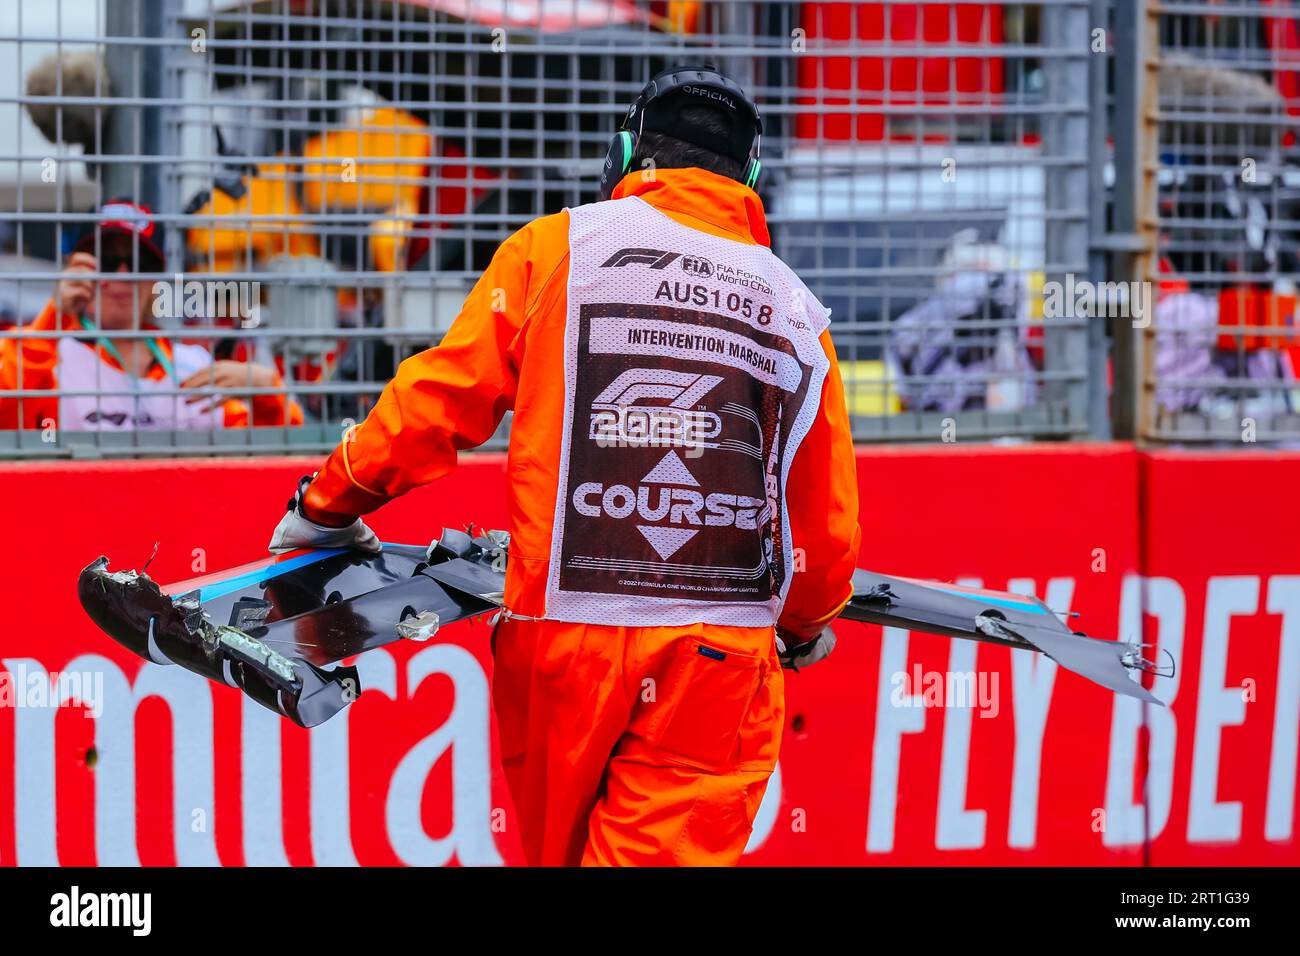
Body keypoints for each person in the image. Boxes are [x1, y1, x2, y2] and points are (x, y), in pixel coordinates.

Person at [269, 66, 861, 865]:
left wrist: (329, 503)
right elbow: (819, 508)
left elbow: (439, 402)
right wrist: (807, 618)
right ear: (751, 178)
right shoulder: (793, 310)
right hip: (713, 654)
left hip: (561, 637)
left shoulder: (555, 250)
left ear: (623, 154)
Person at [0, 199, 302, 431]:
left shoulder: (194, 366)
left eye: (137, 262)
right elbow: (7, 417)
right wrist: (54, 316)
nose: (122, 274)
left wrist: (267, 391)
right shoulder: (49, 360)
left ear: (156, 280)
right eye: (107, 260)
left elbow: (266, 465)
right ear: (78, 267)